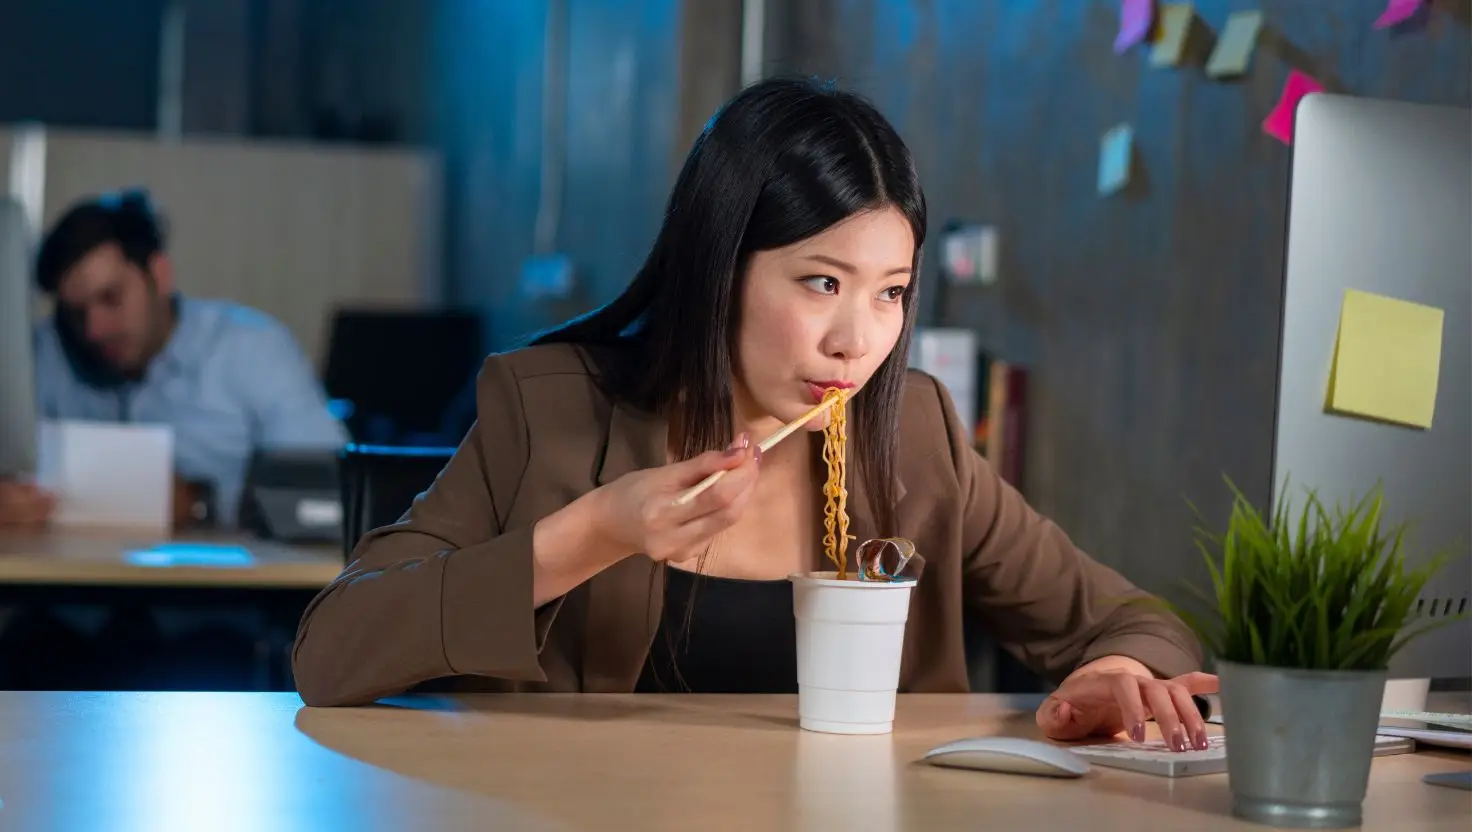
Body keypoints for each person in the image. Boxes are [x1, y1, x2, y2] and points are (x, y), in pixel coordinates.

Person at [292, 78, 1216, 752]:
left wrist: (1116, 674)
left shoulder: (916, 433)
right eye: (821, 283)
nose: (859, 340)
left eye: (890, 292)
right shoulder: (549, 407)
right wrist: (598, 530)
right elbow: (331, 656)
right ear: (719, 268)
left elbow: (1135, 621)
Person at [0, 189, 347, 529]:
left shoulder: (251, 348)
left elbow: (332, 491)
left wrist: (201, 503)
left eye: (111, 298)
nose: (94, 329)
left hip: (216, 581)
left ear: (160, 274)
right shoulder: (44, 354)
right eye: (77, 313)